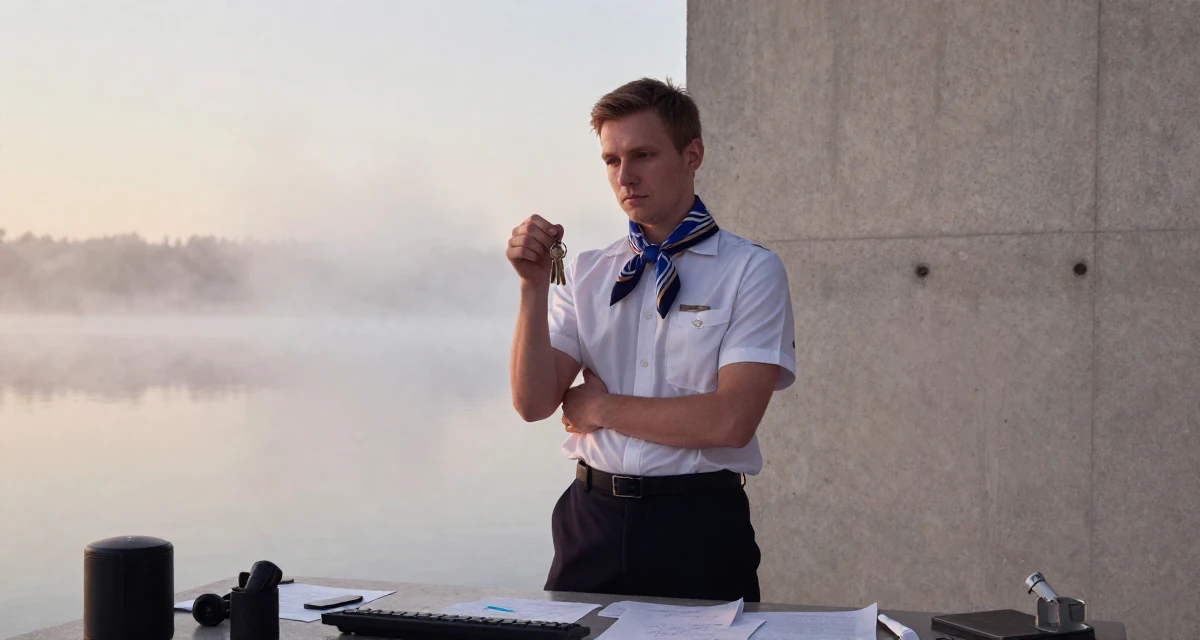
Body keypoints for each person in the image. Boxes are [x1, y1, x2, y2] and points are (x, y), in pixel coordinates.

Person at [506, 77, 796, 603]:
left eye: (642, 154)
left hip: (699, 528)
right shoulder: (589, 272)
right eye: (611, 160)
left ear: (692, 155)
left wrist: (601, 406)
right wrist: (531, 288)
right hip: (589, 521)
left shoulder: (751, 271)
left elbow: (730, 422)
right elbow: (532, 403)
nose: (625, 176)